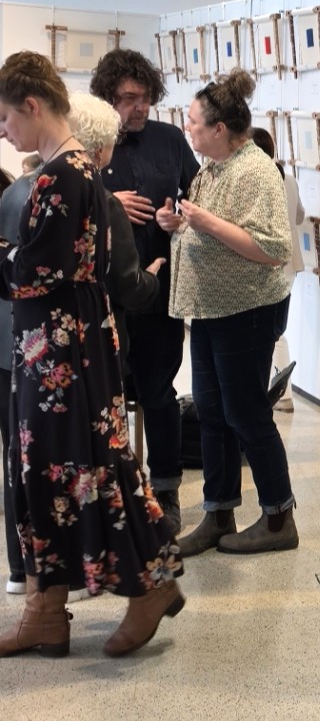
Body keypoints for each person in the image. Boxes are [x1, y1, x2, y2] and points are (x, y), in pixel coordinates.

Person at [0, 51, 182, 659]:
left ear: (32, 105)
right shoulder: (75, 169)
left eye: (6, 117)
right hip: (62, 346)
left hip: (60, 353)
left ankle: (144, 583)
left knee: (71, 470)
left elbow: (35, 271)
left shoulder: (63, 175)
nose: (4, 131)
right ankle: (49, 611)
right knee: (66, 468)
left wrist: (4, 254)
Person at [157, 69, 298, 556]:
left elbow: (273, 247)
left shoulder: (256, 171)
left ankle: (279, 518)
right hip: (212, 310)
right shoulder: (212, 168)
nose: (187, 129)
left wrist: (205, 221)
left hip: (247, 311)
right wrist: (178, 224)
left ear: (219, 129)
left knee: (246, 414)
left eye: (194, 122)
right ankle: (218, 512)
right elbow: (206, 228)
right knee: (213, 413)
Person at [90, 49, 198, 536]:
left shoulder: (170, 139)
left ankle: (167, 492)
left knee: (159, 392)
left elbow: (198, 193)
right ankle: (109, 495)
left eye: (146, 98)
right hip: (104, 295)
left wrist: (181, 214)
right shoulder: (90, 143)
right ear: (108, 98)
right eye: (129, 99)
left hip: (159, 291)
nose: (140, 108)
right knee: (102, 398)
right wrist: (108, 203)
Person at [66, 93, 165, 363]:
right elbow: (128, 286)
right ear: (100, 150)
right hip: (92, 339)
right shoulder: (104, 203)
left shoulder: (30, 186)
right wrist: (152, 277)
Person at [0, 156, 37, 596]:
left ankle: (17, 568)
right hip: (35, 343)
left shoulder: (12, 191)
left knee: (15, 458)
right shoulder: (39, 192)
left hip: (10, 339)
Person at [249, 126, 304, 342]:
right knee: (276, 330)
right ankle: (280, 376)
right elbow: (299, 217)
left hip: (269, 265)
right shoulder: (289, 180)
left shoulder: (259, 183)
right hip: (289, 264)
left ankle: (279, 376)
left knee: (269, 333)